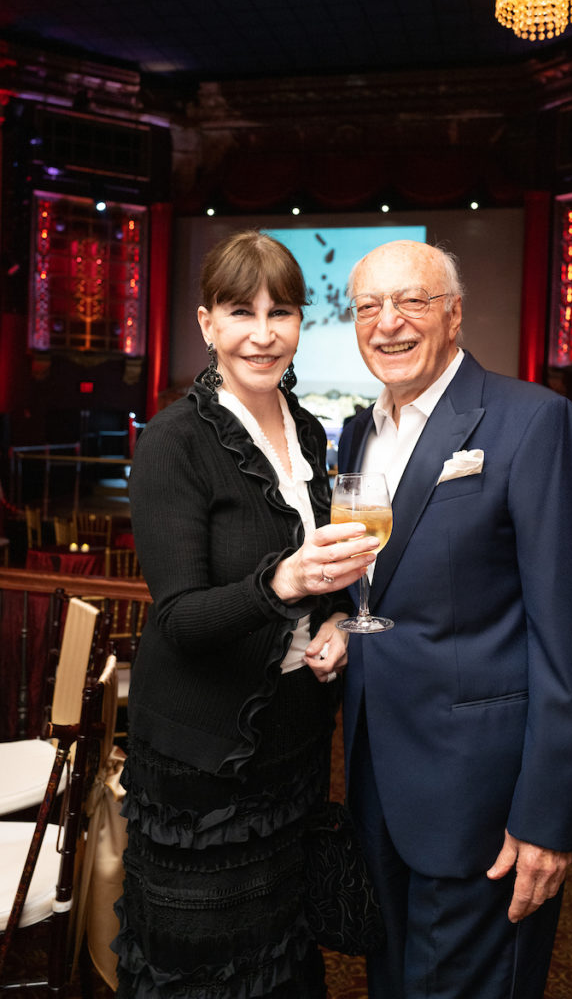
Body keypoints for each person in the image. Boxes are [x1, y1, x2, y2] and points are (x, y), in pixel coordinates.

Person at [330, 239, 572, 999]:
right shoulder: (360, 433)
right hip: (379, 786)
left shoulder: (535, 422)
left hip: (487, 806)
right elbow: (382, 592)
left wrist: (551, 818)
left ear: (454, 315)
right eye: (367, 307)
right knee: (393, 981)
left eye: (412, 302)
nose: (387, 323)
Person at [112, 230, 379, 999]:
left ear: (301, 324)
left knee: (281, 958)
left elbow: (320, 576)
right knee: (206, 973)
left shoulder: (309, 429)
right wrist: (284, 584)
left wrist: (332, 621)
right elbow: (182, 621)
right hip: (206, 768)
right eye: (241, 312)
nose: (264, 334)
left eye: (282, 312)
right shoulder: (173, 441)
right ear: (206, 323)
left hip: (291, 750)